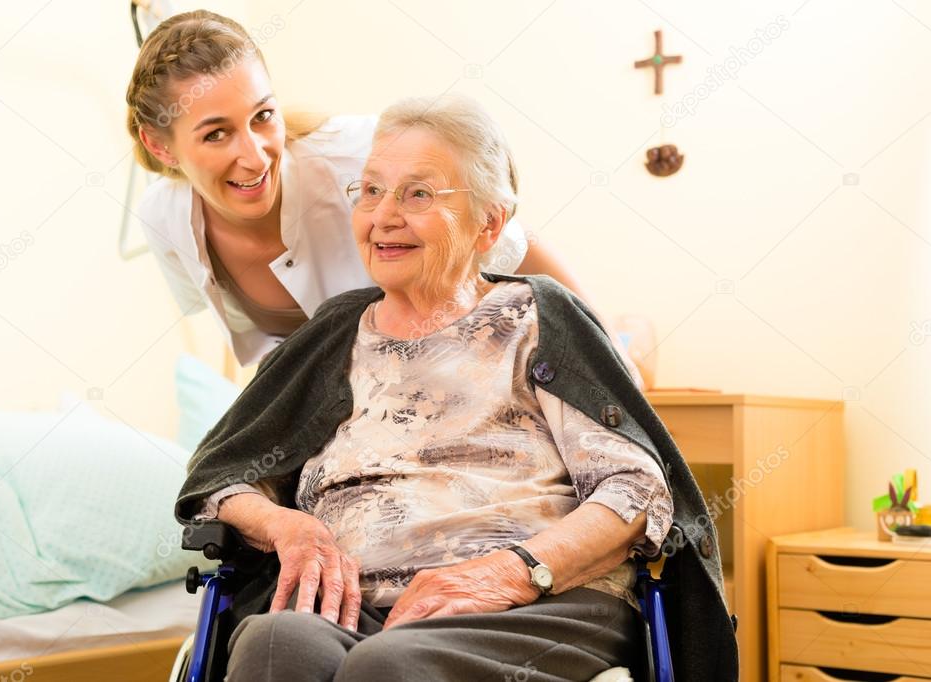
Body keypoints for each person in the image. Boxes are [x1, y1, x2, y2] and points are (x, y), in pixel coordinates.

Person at [175, 95, 737, 681]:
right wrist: (287, 525)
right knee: (273, 643)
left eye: (418, 194)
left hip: (534, 607)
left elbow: (636, 491)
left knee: (388, 666)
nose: (383, 215)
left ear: (489, 223)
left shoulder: (536, 316)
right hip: (351, 606)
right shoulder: (335, 332)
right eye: (369, 190)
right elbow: (224, 475)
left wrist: (511, 572)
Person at [125, 10, 644, 387]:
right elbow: (270, 356)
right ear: (160, 146)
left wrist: (613, 357)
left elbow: (511, 239)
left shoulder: (362, 158)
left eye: (263, 116)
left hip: (449, 372)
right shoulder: (164, 220)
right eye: (216, 134)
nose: (257, 157)